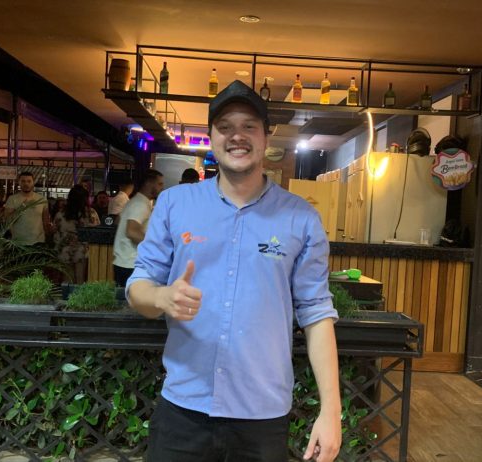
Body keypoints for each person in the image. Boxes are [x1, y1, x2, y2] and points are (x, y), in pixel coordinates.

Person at [127, 80, 341, 462]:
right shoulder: (175, 204)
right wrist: (161, 297)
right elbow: (137, 287)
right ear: (211, 137)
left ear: (266, 136)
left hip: (263, 416)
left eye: (248, 126)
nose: (236, 136)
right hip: (183, 409)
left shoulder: (301, 217)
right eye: (225, 127)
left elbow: (316, 313)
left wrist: (331, 411)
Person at [112, 170, 164, 287]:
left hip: (124, 262)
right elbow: (131, 231)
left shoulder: (135, 201)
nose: (162, 188)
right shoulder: (140, 204)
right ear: (148, 184)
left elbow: (118, 221)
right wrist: (157, 245)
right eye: (159, 184)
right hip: (131, 263)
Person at [53, 184, 100, 283]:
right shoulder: (91, 214)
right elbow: (97, 232)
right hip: (83, 251)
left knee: (67, 280)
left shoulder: (60, 214)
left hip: (64, 250)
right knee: (80, 279)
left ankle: (67, 293)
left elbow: (56, 234)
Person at [4, 171, 51, 245]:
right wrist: (21, 208)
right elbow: (7, 221)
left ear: (33, 182)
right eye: (23, 181)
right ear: (19, 183)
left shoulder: (42, 199)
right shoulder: (12, 199)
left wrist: (49, 237)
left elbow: (46, 221)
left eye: (29, 181)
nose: (26, 184)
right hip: (19, 242)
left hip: (38, 241)